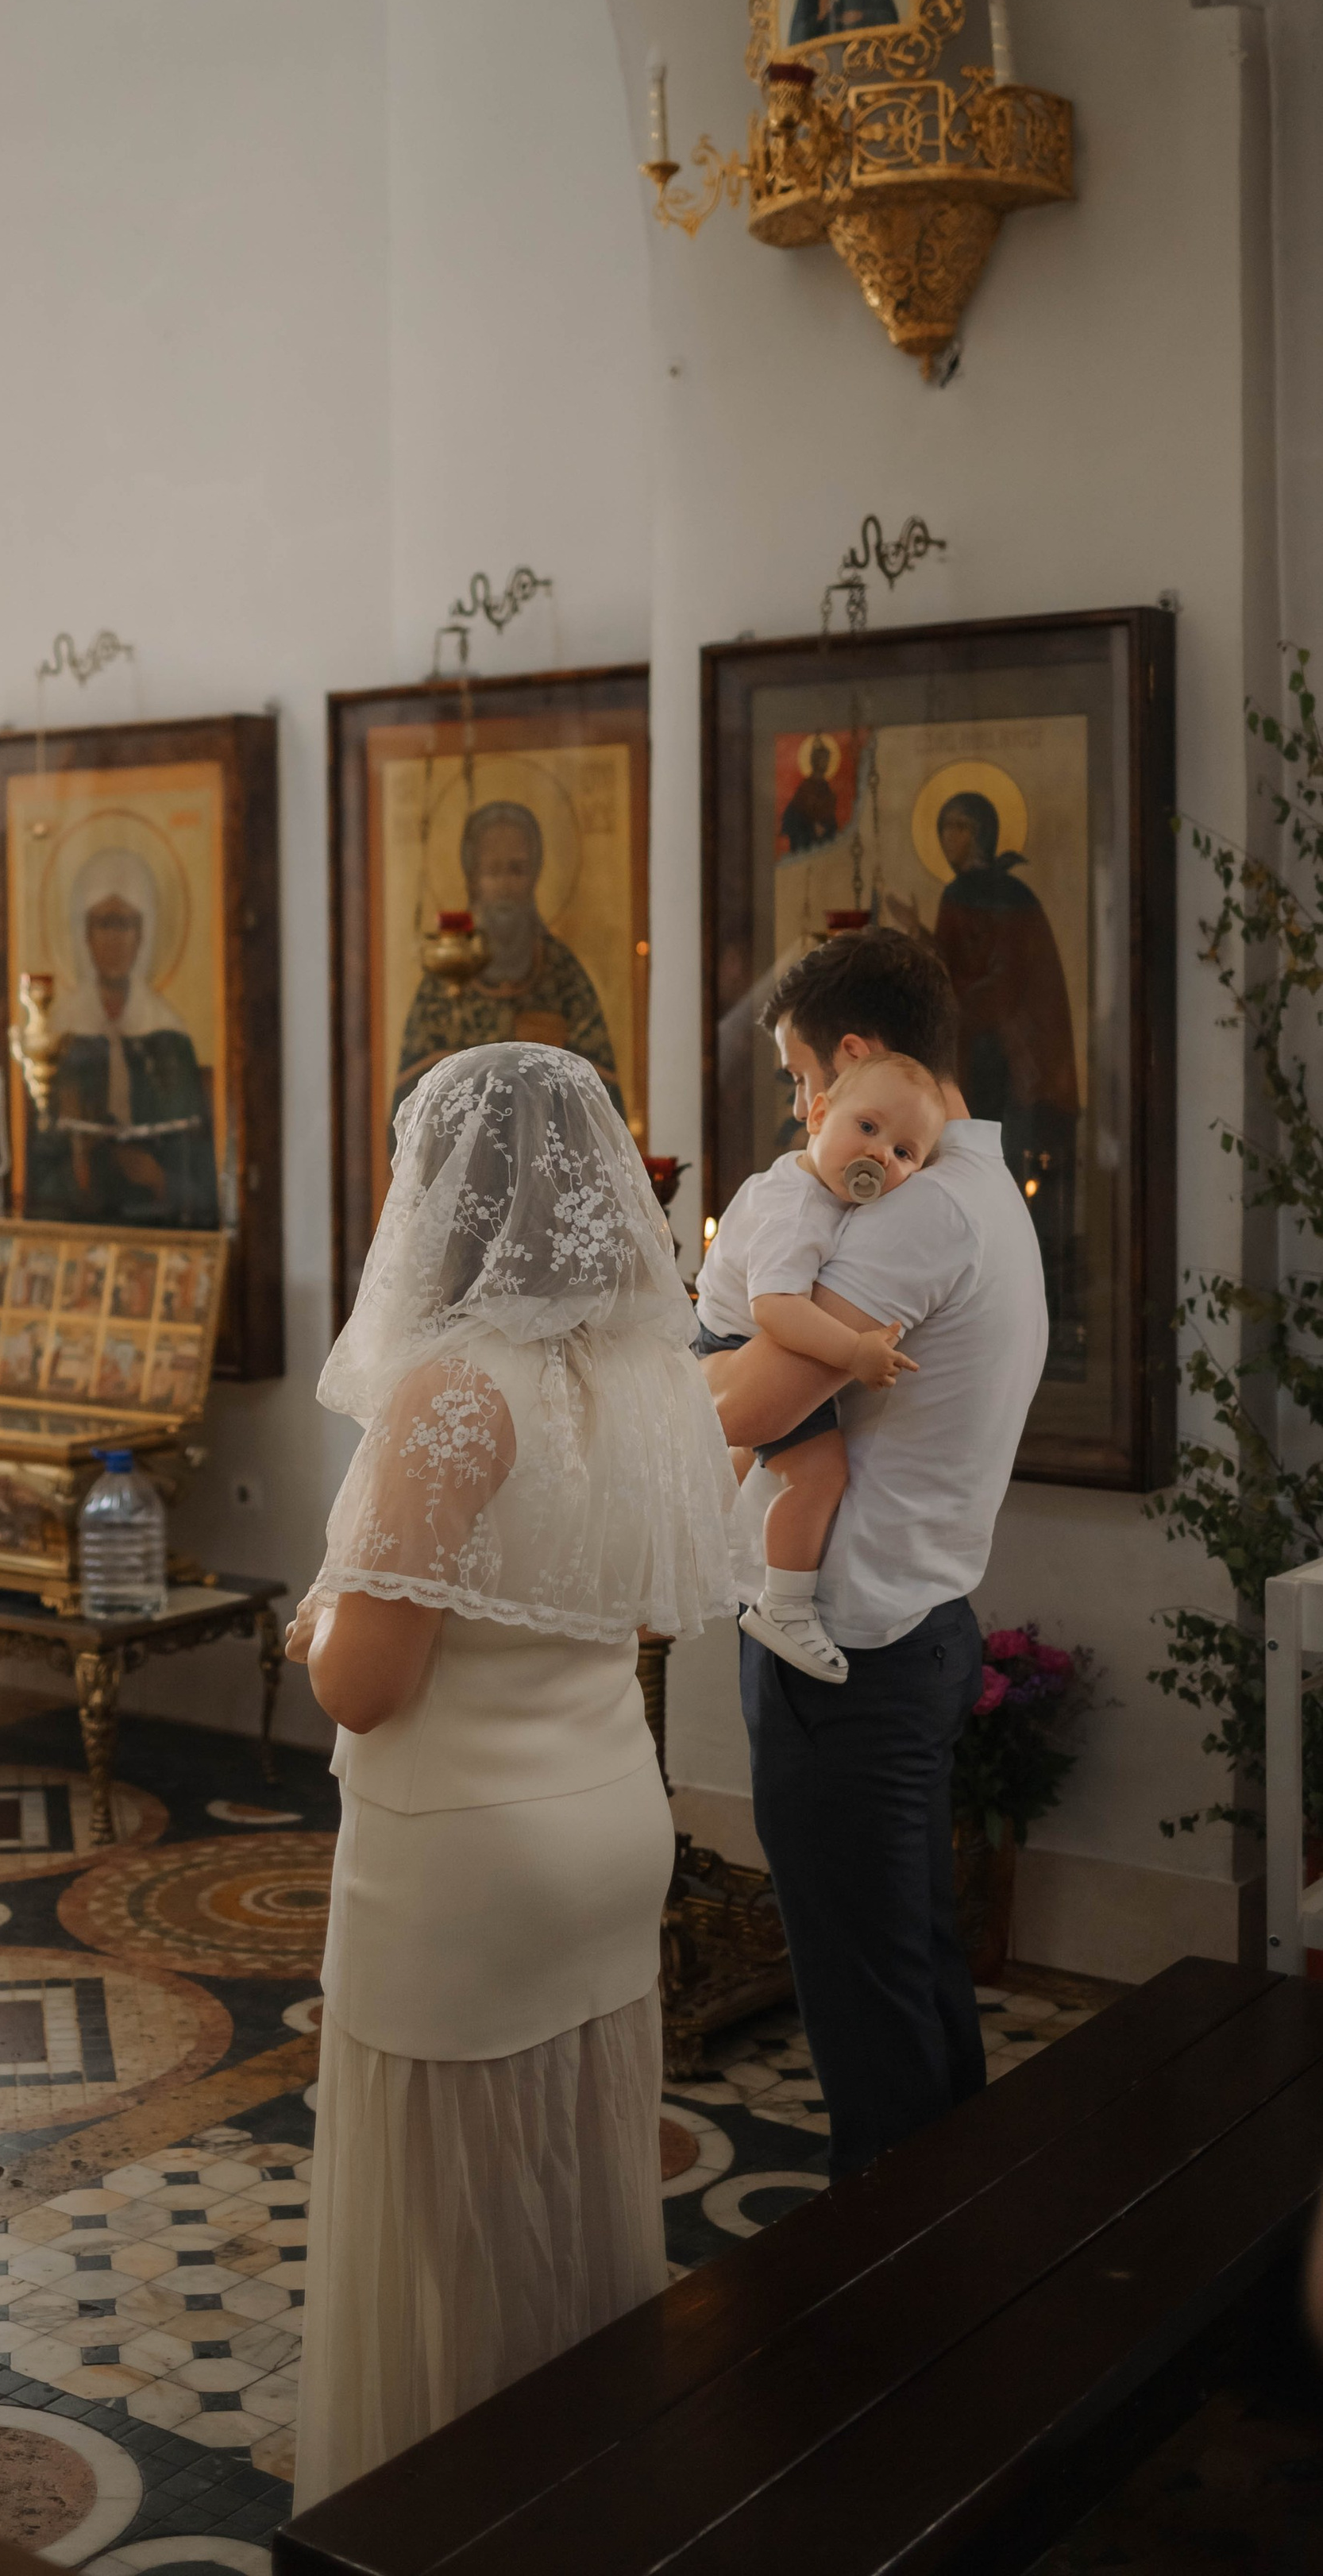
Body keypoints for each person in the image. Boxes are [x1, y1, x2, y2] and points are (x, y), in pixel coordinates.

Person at [286, 1042, 736, 2503]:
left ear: (445, 1197)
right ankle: (587, 2494)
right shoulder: (636, 1377)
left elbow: (369, 1678)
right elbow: (642, 1604)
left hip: (466, 1859)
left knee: (448, 2233)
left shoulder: (458, 1394)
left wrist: (312, 1631)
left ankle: (449, 2514)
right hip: (608, 1825)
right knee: (569, 2181)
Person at [705, 928, 1047, 2179]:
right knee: (908, 1970)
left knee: (865, 2007)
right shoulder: (981, 1192)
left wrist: (637, 1386)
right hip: (922, 1628)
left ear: (855, 1055)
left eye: (803, 1082)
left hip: (846, 1652)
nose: (803, 1112)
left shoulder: (912, 1218)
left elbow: (748, 1408)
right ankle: (951, 2267)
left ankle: (892, 2326)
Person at [693, 1052, 945, 1685]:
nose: (882, 1155)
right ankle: (786, 1603)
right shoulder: (797, 1210)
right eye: (868, 1129)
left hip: (728, 1341)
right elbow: (776, 1310)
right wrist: (855, 1351)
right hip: (732, 1346)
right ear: (821, 1113)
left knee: (752, 1468)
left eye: (906, 1153)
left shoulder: (811, 1187)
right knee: (819, 1473)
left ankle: (707, 1537)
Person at [886, 790, 1082, 1350]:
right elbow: (957, 971)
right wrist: (920, 936)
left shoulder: (984, 893)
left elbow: (1001, 980)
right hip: (990, 1052)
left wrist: (940, 978)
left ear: (985, 834)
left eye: (962, 827)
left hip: (1006, 1057)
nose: (951, 839)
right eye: (944, 827)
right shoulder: (976, 892)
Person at [28, 847, 220, 1227]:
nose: (114, 939)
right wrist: (80, 1169)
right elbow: (39, 1169)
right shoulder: (58, 1039)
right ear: (85, 933)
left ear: (142, 934)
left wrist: (159, 1178)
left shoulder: (170, 1037)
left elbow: (200, 1172)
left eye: (125, 924)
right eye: (104, 923)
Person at [392, 800, 619, 1117]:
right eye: (492, 870)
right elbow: (410, 1097)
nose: (505, 884)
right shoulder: (447, 974)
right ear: (473, 878)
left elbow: (604, 1096)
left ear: (535, 874)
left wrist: (552, 1057)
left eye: (517, 869)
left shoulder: (561, 970)